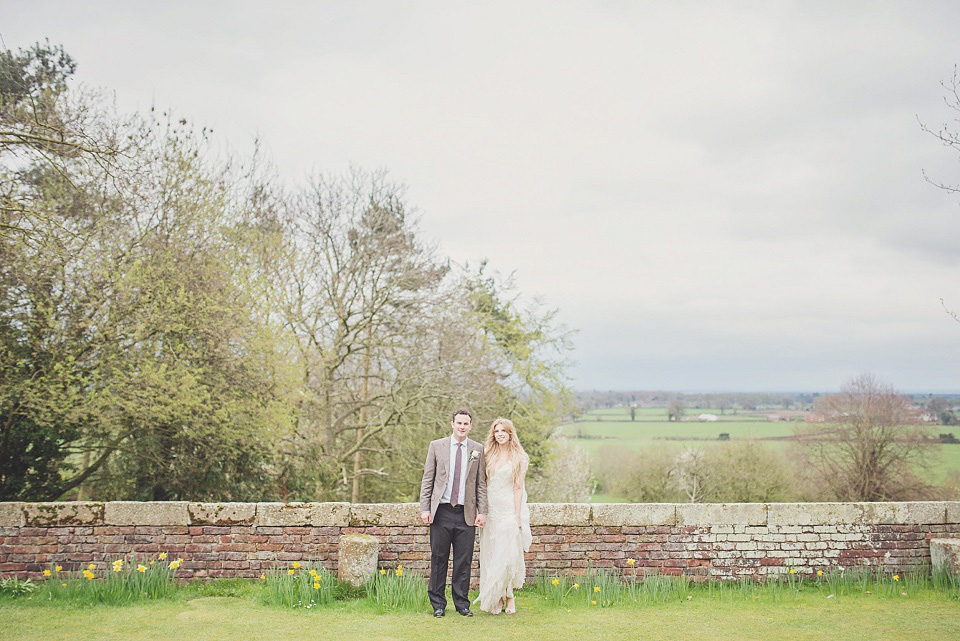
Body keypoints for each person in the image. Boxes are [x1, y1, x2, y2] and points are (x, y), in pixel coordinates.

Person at [420, 407, 488, 617]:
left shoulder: (477, 449)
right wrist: (425, 508)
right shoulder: (437, 446)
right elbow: (427, 479)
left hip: (466, 514)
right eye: (459, 423)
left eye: (466, 424)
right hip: (441, 512)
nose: (462, 427)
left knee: (463, 561)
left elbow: (481, 484)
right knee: (438, 559)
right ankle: (438, 604)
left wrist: (482, 511)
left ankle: (462, 604)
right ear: (452, 424)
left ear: (470, 426)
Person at [475, 417, 531, 614]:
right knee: (492, 554)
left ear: (510, 434)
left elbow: (518, 489)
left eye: (503, 431)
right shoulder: (487, 455)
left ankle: (510, 596)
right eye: (496, 431)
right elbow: (481, 484)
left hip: (508, 509)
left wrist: (517, 515)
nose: (500, 434)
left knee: (508, 555)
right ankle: (498, 596)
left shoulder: (519, 458)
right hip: (490, 510)